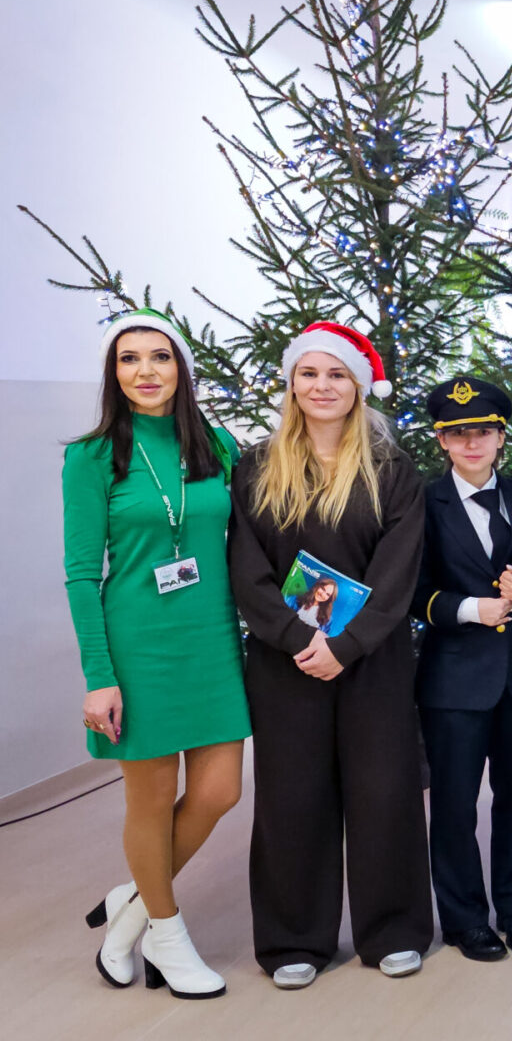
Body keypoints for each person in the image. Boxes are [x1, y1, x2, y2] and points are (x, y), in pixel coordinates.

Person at [227, 322, 431, 988]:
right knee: (291, 799)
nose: (323, 386)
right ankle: (293, 939)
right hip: (284, 663)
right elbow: (247, 570)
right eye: (309, 374)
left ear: (359, 386)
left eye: (337, 374)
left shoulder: (393, 471)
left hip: (373, 661)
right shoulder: (256, 468)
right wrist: (298, 640)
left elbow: (398, 573)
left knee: (385, 792)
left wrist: (345, 645)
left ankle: (393, 929)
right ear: (292, 384)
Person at [64, 309, 248, 999]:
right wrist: (99, 676)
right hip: (138, 645)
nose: (145, 371)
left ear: (181, 369)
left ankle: (132, 905)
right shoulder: (91, 457)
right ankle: (166, 937)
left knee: (221, 791)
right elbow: (82, 574)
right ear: (113, 373)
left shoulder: (218, 446)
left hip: (211, 639)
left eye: (160, 357)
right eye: (129, 359)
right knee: (150, 799)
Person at [412, 376, 512, 962]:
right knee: (454, 801)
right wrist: (471, 609)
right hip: (454, 678)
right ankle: (465, 919)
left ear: (501, 437)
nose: (472, 443)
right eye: (458, 433)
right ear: (442, 440)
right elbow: (412, 591)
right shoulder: (422, 503)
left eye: (484, 432)